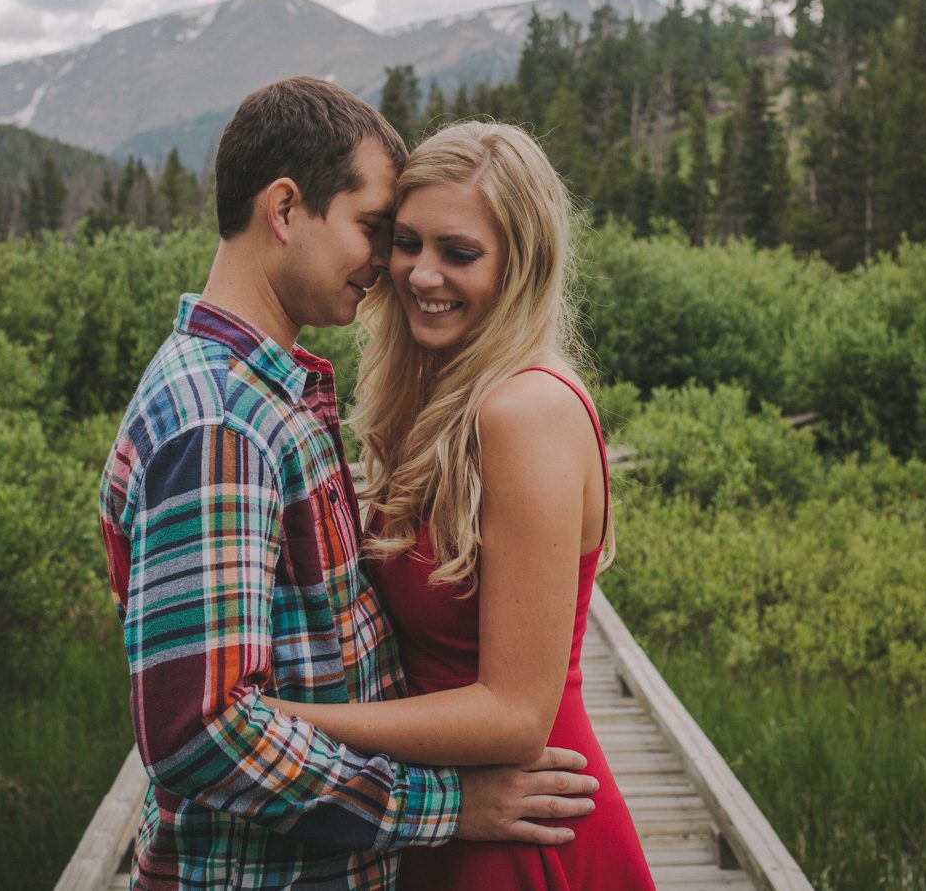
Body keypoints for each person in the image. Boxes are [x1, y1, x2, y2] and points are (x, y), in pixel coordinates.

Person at [97, 79, 598, 890]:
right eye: (379, 230)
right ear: (287, 209)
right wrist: (439, 806)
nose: (391, 267)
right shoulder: (219, 421)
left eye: (452, 249)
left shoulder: (268, 395)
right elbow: (204, 731)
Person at [259, 122, 656, 889]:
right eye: (407, 241)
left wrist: (277, 724)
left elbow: (514, 714)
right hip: (448, 809)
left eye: (459, 252)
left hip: (517, 824)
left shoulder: (523, 410)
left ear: (521, 262)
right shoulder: (439, 390)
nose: (420, 273)